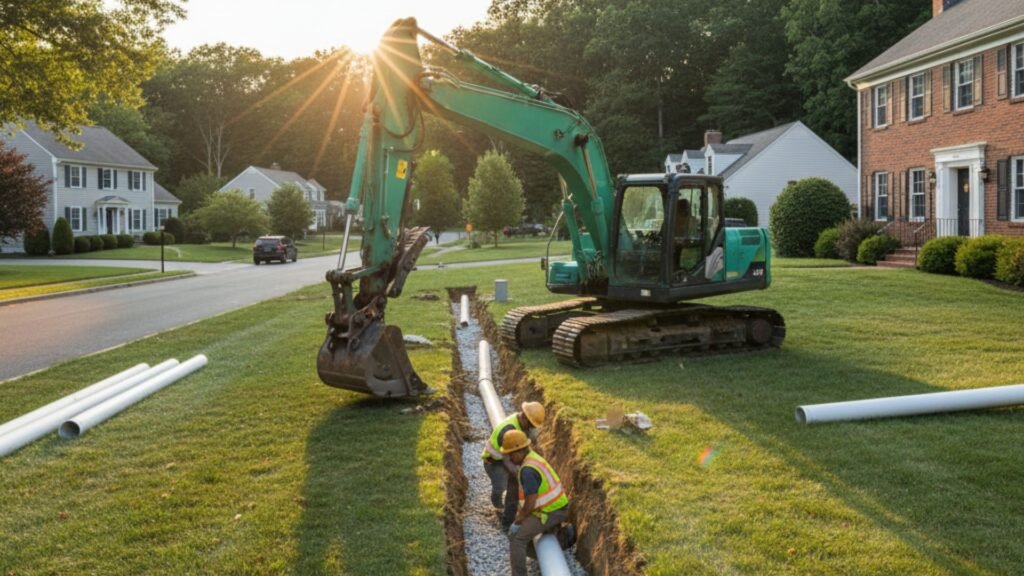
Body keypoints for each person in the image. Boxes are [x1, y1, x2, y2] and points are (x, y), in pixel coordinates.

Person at [501, 429, 574, 576]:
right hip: (555, 508)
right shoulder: (532, 458)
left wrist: (518, 521)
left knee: (517, 538)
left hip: (552, 512)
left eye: (510, 454)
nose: (509, 458)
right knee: (527, 537)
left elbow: (530, 503)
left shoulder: (528, 470)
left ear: (518, 451)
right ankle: (562, 537)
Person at [481, 401, 545, 529]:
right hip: (494, 461)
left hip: (509, 457)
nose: (531, 428)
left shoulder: (522, 424)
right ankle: (498, 506)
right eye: (531, 425)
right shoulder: (509, 430)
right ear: (524, 418)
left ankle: (508, 520)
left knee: (513, 489)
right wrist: (518, 473)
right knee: (500, 486)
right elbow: (506, 459)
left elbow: (525, 448)